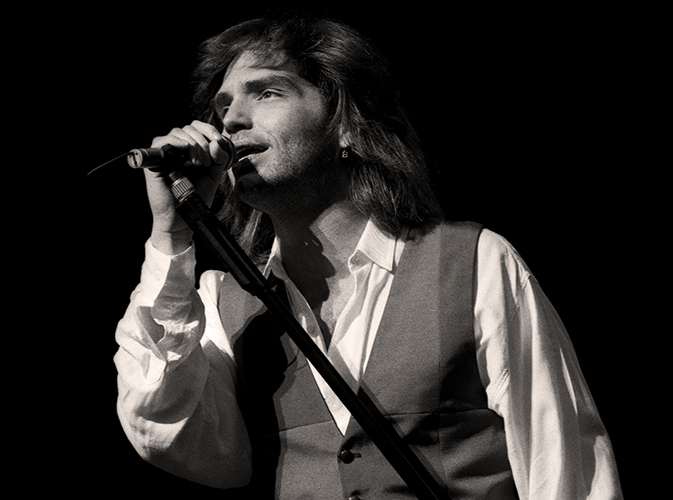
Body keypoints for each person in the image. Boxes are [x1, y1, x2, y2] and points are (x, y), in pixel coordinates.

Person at [114, 13, 622, 499]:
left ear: (347, 126)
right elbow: (169, 435)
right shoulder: (225, 306)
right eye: (222, 107)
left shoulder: (473, 265)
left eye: (267, 92)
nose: (231, 122)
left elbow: (565, 470)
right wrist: (172, 229)